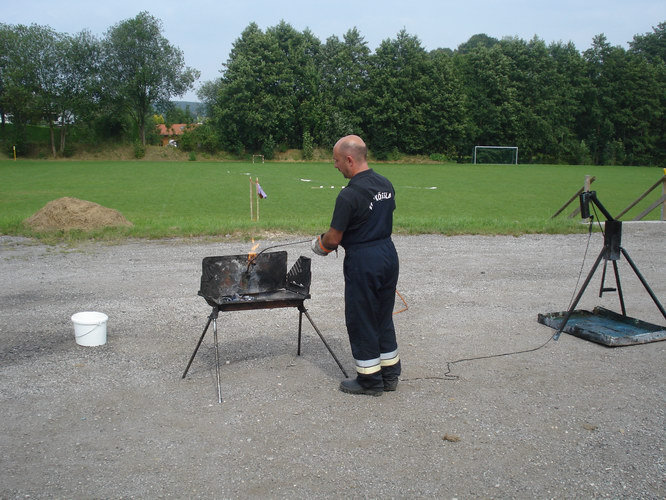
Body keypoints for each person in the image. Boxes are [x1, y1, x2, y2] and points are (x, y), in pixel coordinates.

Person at [311, 135, 401, 396]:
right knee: (382, 315)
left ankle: (369, 380)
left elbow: (334, 238)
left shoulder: (349, 195)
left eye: (337, 161)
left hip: (364, 259)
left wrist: (319, 246)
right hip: (387, 253)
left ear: (350, 159)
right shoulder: (386, 184)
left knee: (361, 317)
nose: (335, 166)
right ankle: (390, 374)